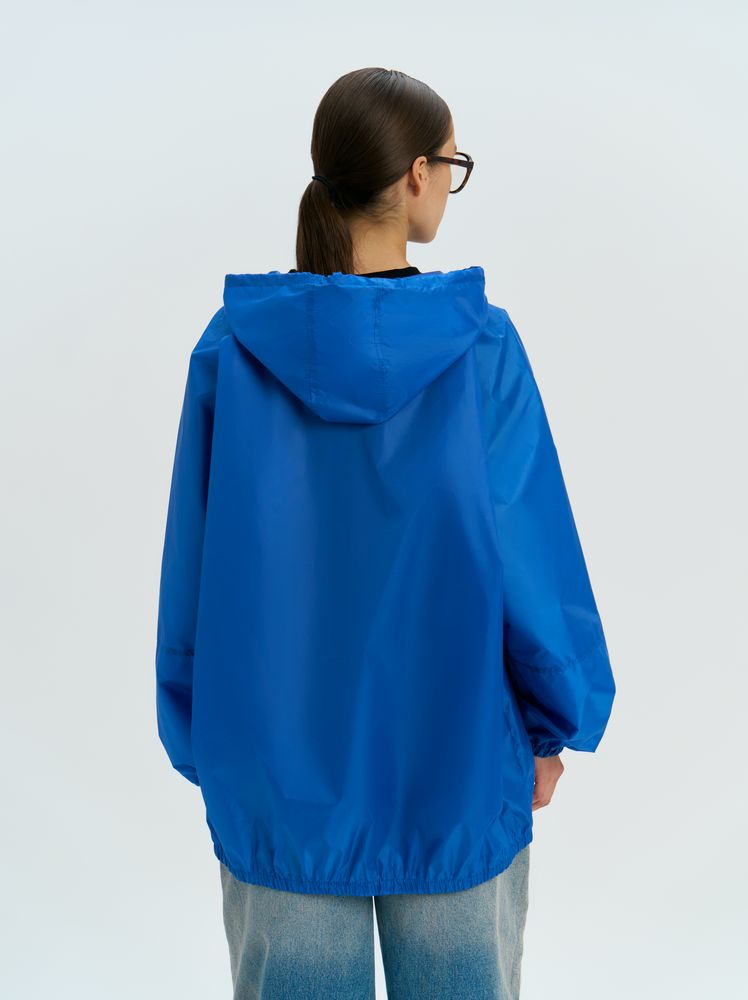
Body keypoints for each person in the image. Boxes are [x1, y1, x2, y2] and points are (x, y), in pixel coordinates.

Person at [154, 67, 616, 999]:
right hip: (457, 764)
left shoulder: (232, 350)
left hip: (277, 780)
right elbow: (529, 555)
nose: (450, 182)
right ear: (415, 175)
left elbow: (194, 568)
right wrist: (556, 720)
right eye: (453, 164)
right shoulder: (480, 347)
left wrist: (202, 736)